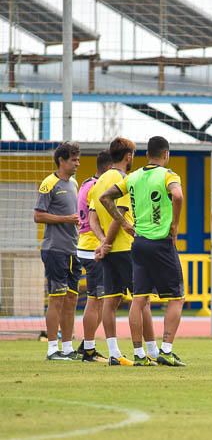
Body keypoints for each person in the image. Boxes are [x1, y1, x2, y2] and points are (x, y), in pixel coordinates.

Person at [100, 136, 186, 366]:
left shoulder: (133, 177)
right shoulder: (168, 175)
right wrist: (175, 224)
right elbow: (177, 195)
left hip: (138, 243)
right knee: (177, 298)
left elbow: (105, 197)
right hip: (161, 242)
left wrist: (125, 223)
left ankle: (139, 354)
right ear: (166, 154)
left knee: (138, 299)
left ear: (148, 154)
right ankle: (166, 350)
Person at [90, 137, 155, 366]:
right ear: (129, 156)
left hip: (108, 251)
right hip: (125, 248)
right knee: (141, 300)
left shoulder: (99, 182)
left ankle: (114, 353)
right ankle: (150, 351)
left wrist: (101, 243)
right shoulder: (121, 179)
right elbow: (120, 214)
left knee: (111, 300)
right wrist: (107, 241)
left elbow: (93, 217)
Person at [34, 142, 82, 361]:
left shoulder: (73, 183)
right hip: (55, 250)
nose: (77, 164)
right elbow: (38, 216)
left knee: (72, 299)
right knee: (57, 298)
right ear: (62, 160)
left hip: (73, 250)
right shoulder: (49, 183)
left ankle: (68, 346)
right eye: (74, 160)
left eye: (78, 159)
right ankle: (52, 349)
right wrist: (65, 219)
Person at [76, 150, 111, 362]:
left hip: (85, 245)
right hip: (93, 248)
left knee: (98, 299)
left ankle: (86, 345)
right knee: (96, 300)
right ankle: (88, 349)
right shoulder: (98, 187)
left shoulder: (86, 183)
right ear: (108, 168)